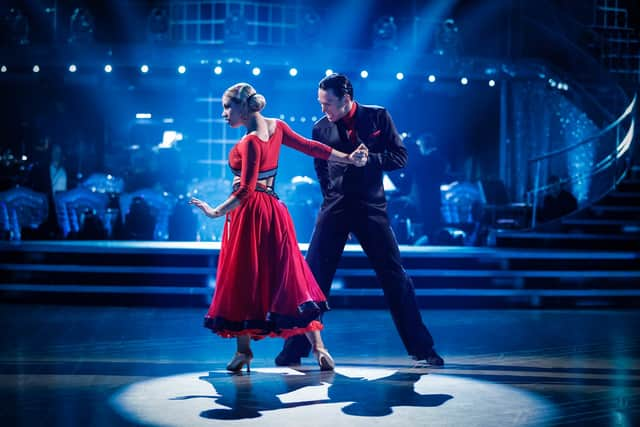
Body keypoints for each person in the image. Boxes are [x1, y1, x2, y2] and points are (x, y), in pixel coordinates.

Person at [190, 82, 367, 373]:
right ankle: (319, 348)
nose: (223, 114)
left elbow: (246, 190)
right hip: (274, 211)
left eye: (227, 107)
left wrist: (215, 212)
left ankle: (244, 351)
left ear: (244, 108)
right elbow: (311, 148)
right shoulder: (277, 127)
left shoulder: (248, 142)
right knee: (290, 276)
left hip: (249, 214)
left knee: (243, 276)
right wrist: (347, 158)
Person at [275, 73, 444, 367]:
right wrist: (333, 201)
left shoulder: (378, 117)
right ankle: (294, 350)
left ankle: (422, 348)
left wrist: (373, 159)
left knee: (395, 277)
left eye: (327, 103)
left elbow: (400, 157)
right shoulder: (320, 128)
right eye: (320, 103)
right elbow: (321, 170)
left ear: (346, 99)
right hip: (335, 209)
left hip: (371, 209)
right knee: (312, 278)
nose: (323, 109)